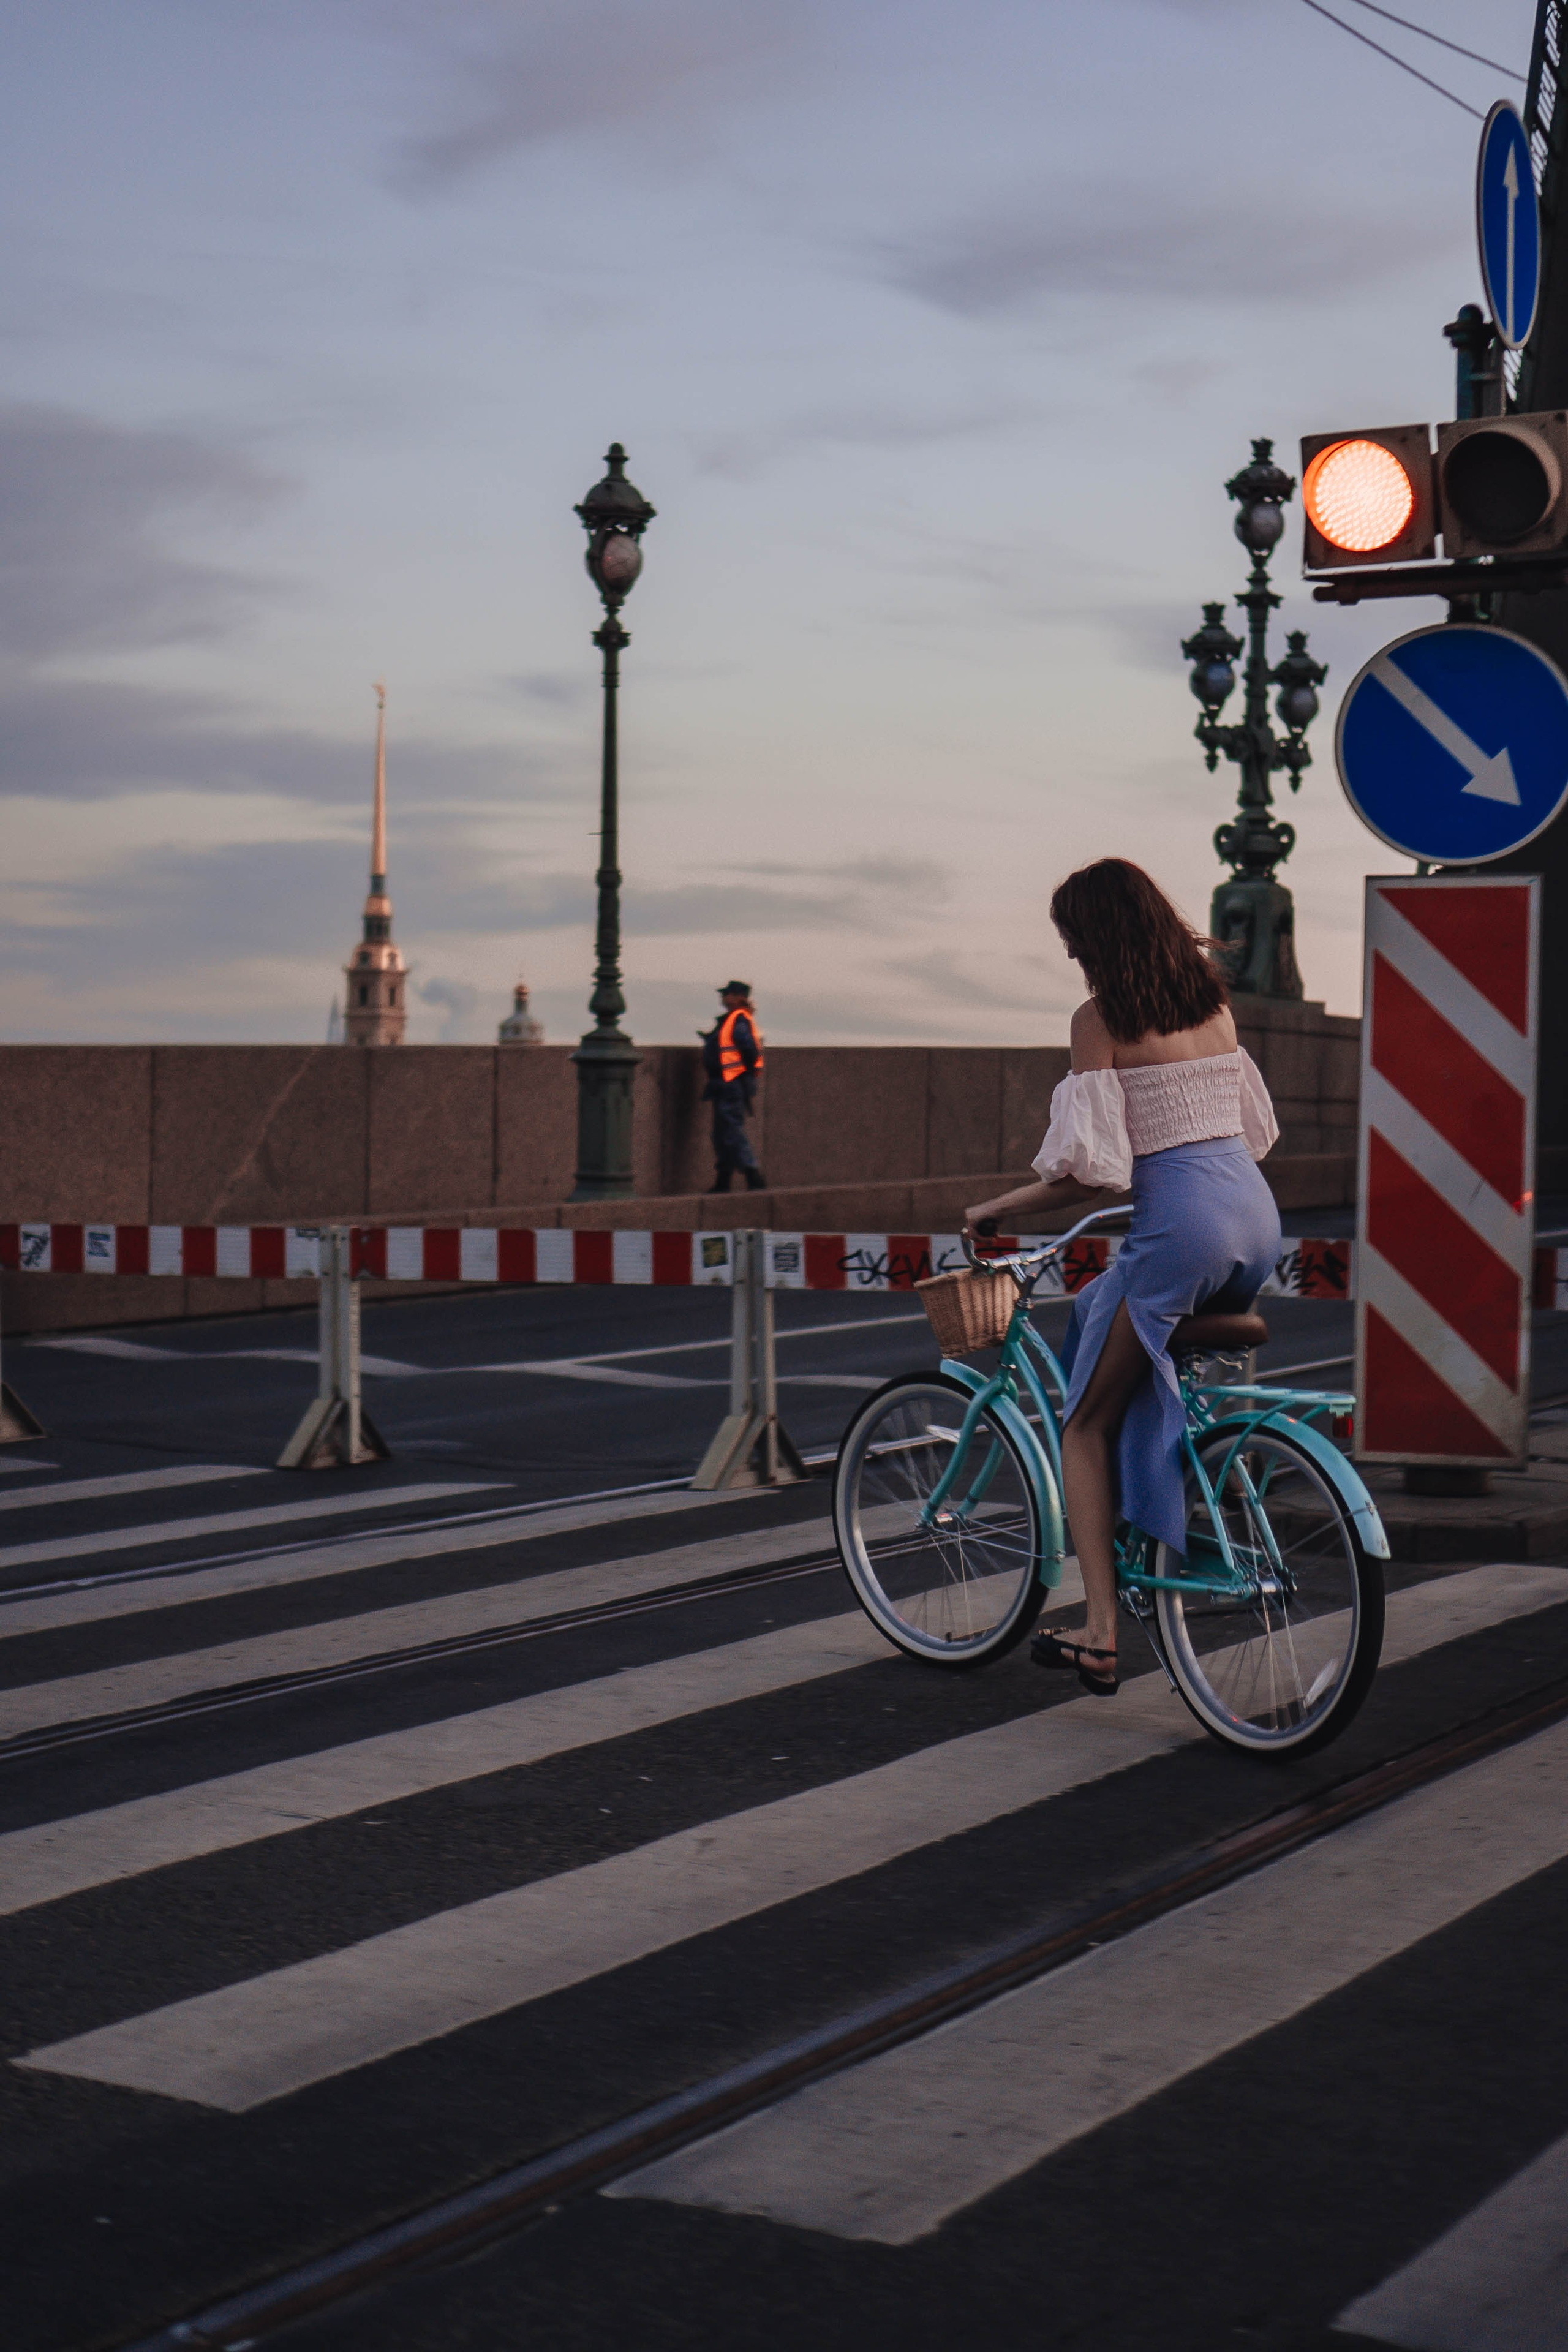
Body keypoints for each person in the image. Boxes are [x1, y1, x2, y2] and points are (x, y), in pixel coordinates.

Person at [966, 859, 1280, 1697]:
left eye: (1073, 939)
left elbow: (1094, 1172)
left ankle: (1101, 1632)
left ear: (1094, 938)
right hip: (1255, 1215)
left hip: (1184, 1226)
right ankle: (1169, 1523)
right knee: (1127, 1334)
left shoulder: (1100, 1018)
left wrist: (995, 1207)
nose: (1071, 955)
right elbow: (1230, 1132)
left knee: (1083, 1422)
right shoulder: (1214, 1005)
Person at [701, 979, 767, 1193]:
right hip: (725, 1082)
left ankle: (752, 1174)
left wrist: (742, 1073)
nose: (723, 997)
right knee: (722, 1133)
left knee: (731, 1130)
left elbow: (747, 1047)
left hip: (731, 1082)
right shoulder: (731, 1020)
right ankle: (724, 1180)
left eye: (727, 994)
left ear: (738, 997)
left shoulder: (738, 1019)